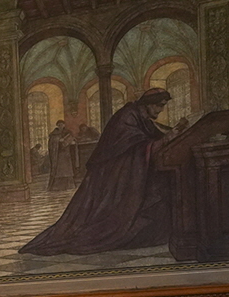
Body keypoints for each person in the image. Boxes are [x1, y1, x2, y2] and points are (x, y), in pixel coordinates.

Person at [21, 88, 182, 256]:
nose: (160, 110)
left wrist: (170, 135)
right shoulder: (127, 116)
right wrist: (166, 139)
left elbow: (154, 137)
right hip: (111, 177)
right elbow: (137, 146)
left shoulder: (141, 117)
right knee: (101, 220)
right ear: (148, 104)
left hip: (125, 173)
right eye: (159, 106)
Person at [46, 120, 76, 191]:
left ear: (64, 125)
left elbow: (70, 139)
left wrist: (64, 141)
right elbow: (51, 143)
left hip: (66, 154)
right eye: (59, 125)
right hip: (57, 154)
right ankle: (57, 187)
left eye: (62, 124)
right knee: (58, 171)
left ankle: (69, 186)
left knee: (67, 170)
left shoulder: (68, 132)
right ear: (57, 125)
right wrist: (58, 141)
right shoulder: (54, 134)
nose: (60, 126)